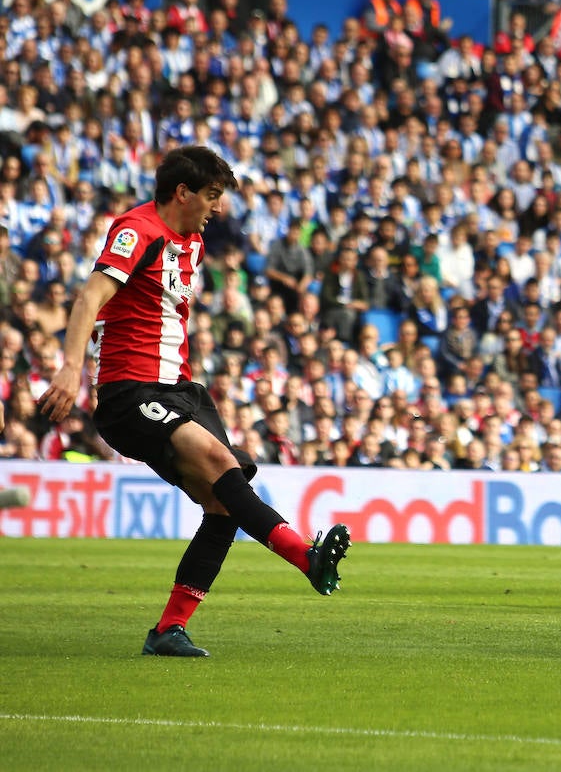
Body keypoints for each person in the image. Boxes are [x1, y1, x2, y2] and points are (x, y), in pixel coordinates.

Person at [37, 147, 351, 658]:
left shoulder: (194, 241)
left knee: (223, 503)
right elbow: (88, 298)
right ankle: (307, 558)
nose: (217, 207)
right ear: (181, 192)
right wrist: (71, 368)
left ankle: (168, 630)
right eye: (211, 195)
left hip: (179, 388)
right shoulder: (136, 231)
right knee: (220, 463)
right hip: (129, 392)